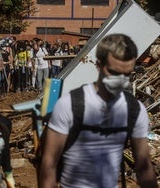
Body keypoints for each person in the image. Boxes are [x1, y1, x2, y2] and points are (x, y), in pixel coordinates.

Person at [39, 34, 157, 188]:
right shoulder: (70, 105)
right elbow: (49, 164)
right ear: (99, 65)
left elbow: (143, 166)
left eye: (126, 74)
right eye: (114, 72)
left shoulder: (134, 109)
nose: (120, 79)